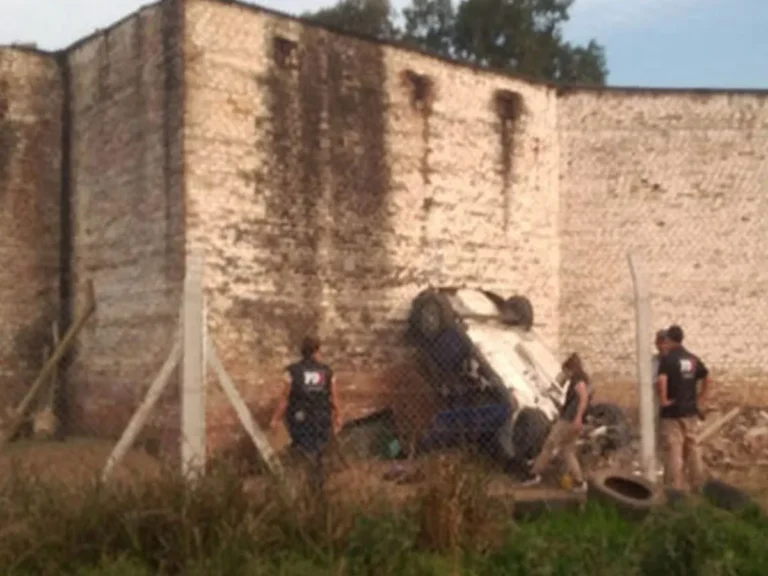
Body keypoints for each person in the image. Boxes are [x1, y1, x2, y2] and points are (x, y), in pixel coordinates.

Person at [269, 336, 342, 493]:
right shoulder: (328, 372)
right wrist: (338, 415)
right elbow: (334, 397)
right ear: (317, 350)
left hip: (300, 418)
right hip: (321, 417)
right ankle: (316, 486)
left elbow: (285, 399)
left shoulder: (292, 371)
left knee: (302, 447)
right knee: (319, 450)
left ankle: (300, 482)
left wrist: (275, 419)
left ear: (302, 351)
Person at [523, 352, 592, 493]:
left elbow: (583, 397)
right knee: (567, 450)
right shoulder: (583, 377)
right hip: (572, 419)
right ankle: (579, 482)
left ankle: (534, 474)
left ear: (569, 370)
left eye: (565, 372)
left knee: (549, 444)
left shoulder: (578, 379)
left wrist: (578, 417)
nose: (565, 376)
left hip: (568, 420)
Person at [657, 324, 711, 492]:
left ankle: (675, 488)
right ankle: (697, 484)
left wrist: (664, 399)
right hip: (690, 410)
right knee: (693, 446)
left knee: (674, 449)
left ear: (669, 339)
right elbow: (707, 376)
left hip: (672, 412)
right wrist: (701, 399)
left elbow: (662, 380)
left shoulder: (668, 359)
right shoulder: (692, 359)